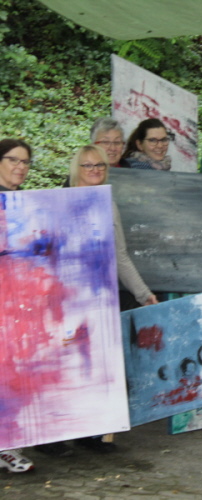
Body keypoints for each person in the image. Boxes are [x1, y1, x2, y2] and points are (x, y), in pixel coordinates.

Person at [34, 144, 158, 458]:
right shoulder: (55, 203)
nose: (95, 170)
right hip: (63, 299)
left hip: (99, 298)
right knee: (63, 366)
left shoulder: (108, 204)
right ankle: (50, 436)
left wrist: (143, 293)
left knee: (93, 366)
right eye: (88, 165)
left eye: (100, 165)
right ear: (76, 169)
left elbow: (120, 256)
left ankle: (89, 433)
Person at [0, 138, 36, 473]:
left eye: (25, 162)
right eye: (13, 160)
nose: (20, 167)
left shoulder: (26, 203)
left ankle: (8, 446)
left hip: (17, 303)